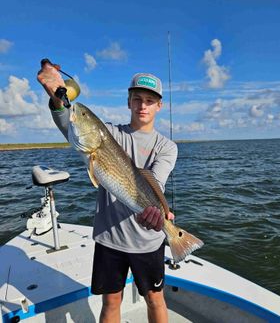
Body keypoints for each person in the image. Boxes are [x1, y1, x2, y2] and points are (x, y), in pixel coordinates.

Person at [37, 62, 177, 323]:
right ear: (128, 102)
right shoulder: (109, 133)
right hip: (109, 238)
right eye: (137, 99)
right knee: (111, 301)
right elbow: (69, 121)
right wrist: (56, 95)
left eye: (149, 100)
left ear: (160, 106)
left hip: (148, 241)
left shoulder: (166, 147)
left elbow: (156, 180)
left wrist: (161, 212)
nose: (143, 105)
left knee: (155, 299)